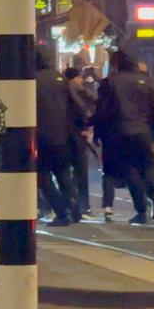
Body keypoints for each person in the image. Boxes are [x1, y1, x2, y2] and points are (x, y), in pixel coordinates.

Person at [95, 51, 154, 224]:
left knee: (130, 170)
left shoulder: (109, 82)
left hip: (119, 132)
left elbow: (102, 111)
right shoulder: (148, 82)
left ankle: (142, 209)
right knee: (148, 167)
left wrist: (99, 133)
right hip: (144, 132)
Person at [35, 46, 80, 227]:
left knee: (43, 177)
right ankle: (74, 208)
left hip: (40, 135)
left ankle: (61, 212)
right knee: (63, 175)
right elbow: (75, 105)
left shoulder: (32, 79)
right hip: (62, 134)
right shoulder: (61, 79)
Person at [65, 67, 97, 216]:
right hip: (76, 136)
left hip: (68, 136)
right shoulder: (75, 93)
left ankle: (74, 203)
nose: (81, 80)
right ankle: (82, 205)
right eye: (78, 78)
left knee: (69, 172)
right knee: (79, 172)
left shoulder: (69, 92)